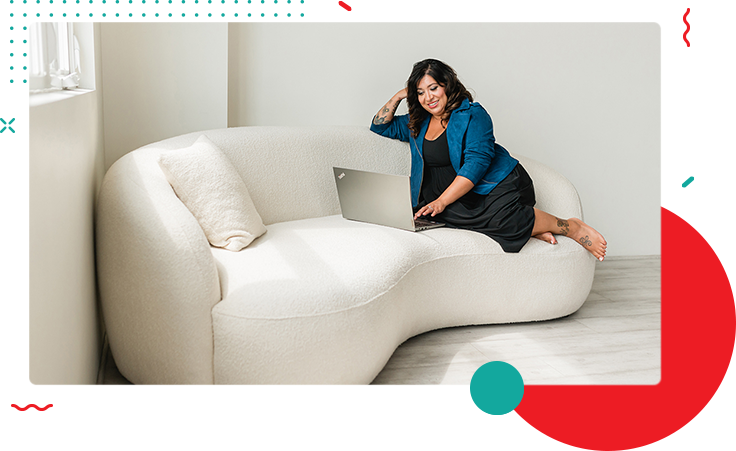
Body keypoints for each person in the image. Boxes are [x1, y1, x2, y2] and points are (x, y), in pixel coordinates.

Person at [369, 59, 607, 261]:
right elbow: (379, 126)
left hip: (494, 186)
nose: (428, 97)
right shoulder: (417, 122)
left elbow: (476, 165)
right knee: (433, 217)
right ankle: (532, 230)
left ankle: (568, 225)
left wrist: (442, 201)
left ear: (446, 86)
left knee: (505, 221)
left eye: (433, 88)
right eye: (420, 92)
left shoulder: (473, 114)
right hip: (453, 196)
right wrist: (399, 96)